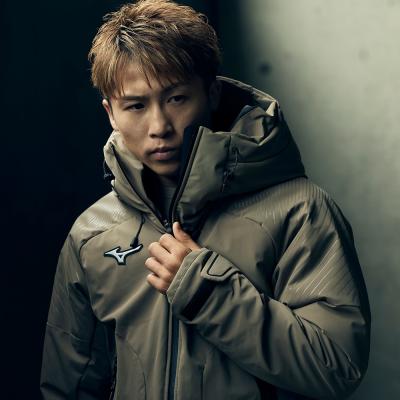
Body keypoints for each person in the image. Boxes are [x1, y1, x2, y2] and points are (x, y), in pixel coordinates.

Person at [40, 1, 371, 399]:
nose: (159, 126)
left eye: (177, 98)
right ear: (111, 113)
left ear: (211, 93)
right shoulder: (91, 235)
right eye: (136, 106)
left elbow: (336, 367)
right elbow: (68, 387)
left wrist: (206, 291)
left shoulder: (300, 212)